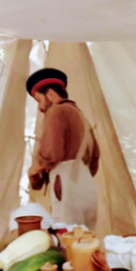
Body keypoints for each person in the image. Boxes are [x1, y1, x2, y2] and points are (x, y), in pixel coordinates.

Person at [26, 68, 100, 229]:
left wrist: (34, 170)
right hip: (87, 184)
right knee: (85, 238)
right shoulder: (80, 115)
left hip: (65, 184)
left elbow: (52, 153)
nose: (39, 108)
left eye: (39, 100)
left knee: (66, 236)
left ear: (50, 94)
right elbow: (95, 159)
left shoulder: (56, 111)